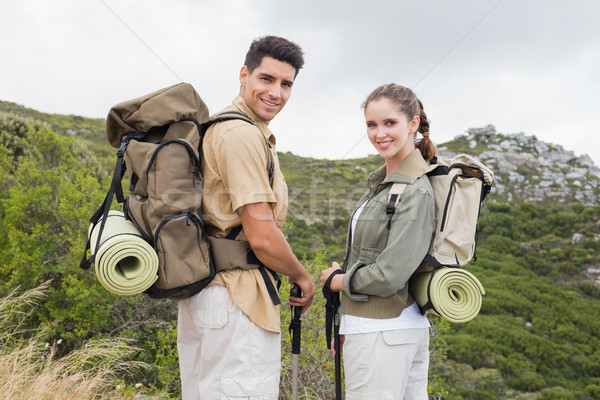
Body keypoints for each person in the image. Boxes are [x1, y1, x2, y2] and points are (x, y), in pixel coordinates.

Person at [177, 35, 315, 400]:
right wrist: (301, 276)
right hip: (236, 300)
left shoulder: (225, 127)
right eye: (266, 79)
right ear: (244, 74)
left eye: (286, 84)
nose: (276, 93)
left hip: (207, 294)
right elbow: (262, 236)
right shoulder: (241, 134)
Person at [320, 83, 437, 399]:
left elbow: (389, 276)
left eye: (390, 123)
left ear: (413, 124)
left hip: (382, 333)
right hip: (382, 330)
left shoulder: (415, 190)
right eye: (372, 124)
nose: (379, 133)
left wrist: (338, 281)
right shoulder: (383, 185)